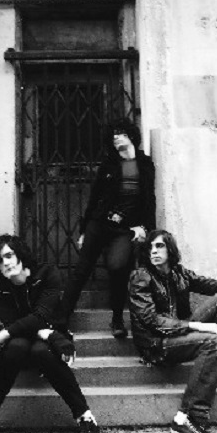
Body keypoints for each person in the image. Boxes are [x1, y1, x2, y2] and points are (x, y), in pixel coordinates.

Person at [0, 234, 100, 433]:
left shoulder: (47, 274)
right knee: (16, 347)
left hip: (51, 345)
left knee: (40, 350)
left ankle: (85, 418)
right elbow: (13, 323)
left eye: (9, 255)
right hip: (28, 341)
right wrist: (46, 333)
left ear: (20, 254)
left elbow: (41, 316)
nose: (5, 263)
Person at [129, 230, 217, 433]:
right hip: (157, 344)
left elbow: (214, 284)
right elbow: (151, 320)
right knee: (214, 341)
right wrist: (197, 325)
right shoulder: (141, 276)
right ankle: (187, 418)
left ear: (170, 249)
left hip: (180, 331)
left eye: (159, 246)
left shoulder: (179, 273)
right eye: (150, 247)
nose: (153, 251)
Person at [60, 119, 156, 338]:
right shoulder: (109, 164)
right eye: (113, 135)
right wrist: (84, 230)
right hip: (100, 224)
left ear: (131, 136)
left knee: (118, 266)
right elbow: (94, 199)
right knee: (81, 270)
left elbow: (149, 199)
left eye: (120, 133)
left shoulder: (145, 164)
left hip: (125, 229)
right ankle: (61, 318)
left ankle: (117, 319)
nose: (116, 137)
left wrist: (146, 228)